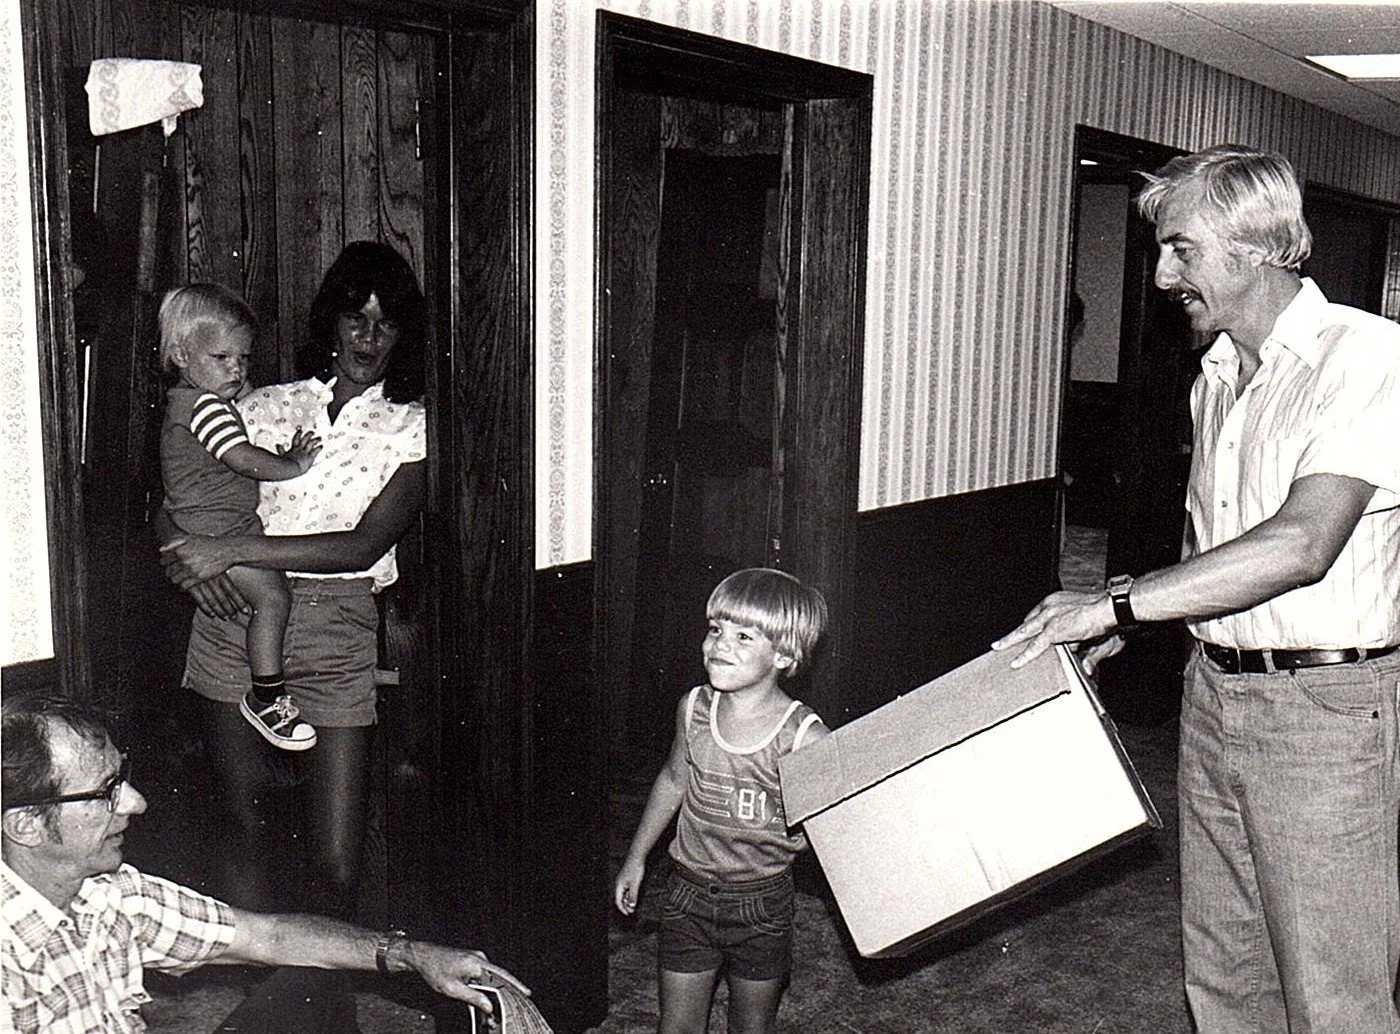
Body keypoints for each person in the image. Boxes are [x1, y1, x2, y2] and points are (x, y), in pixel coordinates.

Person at [993, 144, 1400, 1033]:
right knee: (1223, 975)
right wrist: (1134, 617)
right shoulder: (1213, 378)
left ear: (1254, 248)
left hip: (1327, 711)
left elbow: (1300, 543)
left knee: (1334, 994)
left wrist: (1112, 602)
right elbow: (1215, 544)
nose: (1164, 272)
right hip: (1211, 695)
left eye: (1181, 249)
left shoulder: (1369, 358)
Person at [157, 240, 426, 922]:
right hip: (232, 621)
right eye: (355, 316)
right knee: (241, 830)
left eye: (385, 321)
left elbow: (367, 543)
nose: (368, 335)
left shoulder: (414, 425)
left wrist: (228, 550)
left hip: (337, 631)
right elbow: (175, 494)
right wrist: (182, 558)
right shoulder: (262, 403)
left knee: (337, 858)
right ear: (330, 322)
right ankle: (268, 1003)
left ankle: (318, 1001)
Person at [0, 692, 528, 1034]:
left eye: (124, 777)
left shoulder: (110, 892)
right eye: (107, 791)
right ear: (25, 824)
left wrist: (412, 955)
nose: (136, 802)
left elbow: (268, 937)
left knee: (307, 990)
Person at [614, 568, 830, 1034]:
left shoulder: (803, 735)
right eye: (715, 630)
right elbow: (673, 779)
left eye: (743, 636)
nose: (719, 645)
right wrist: (636, 857)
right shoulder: (693, 707)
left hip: (763, 902)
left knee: (751, 1027)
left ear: (785, 654)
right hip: (687, 892)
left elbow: (830, 825)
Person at [158, 283, 321, 751]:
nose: (236, 370)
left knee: (267, 598)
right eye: (222, 359)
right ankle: (267, 695)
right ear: (182, 355)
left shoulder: (186, 400)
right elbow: (242, 458)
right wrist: (293, 465)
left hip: (209, 524)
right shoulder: (206, 406)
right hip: (217, 531)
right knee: (273, 599)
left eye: (244, 359)